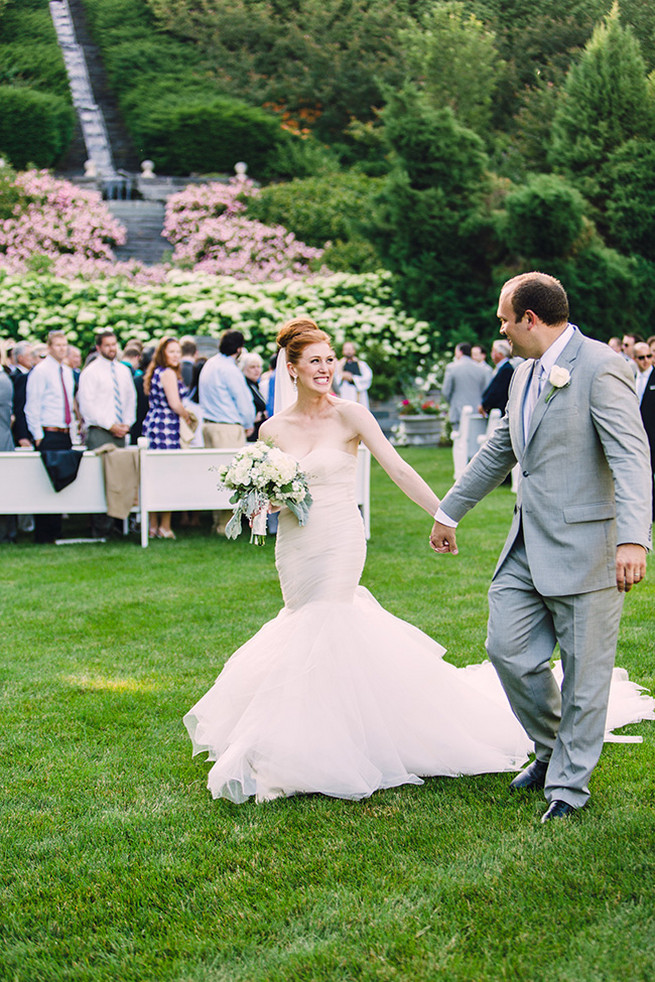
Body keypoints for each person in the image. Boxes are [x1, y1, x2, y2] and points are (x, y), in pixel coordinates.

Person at [183, 316, 654, 805]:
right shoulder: (272, 429)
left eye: (330, 360)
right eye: (315, 362)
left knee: (329, 621)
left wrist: (443, 512)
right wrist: (265, 501)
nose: (326, 369)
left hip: (341, 539)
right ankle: (309, 735)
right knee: (303, 626)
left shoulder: (351, 415)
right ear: (293, 369)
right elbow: (268, 499)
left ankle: (334, 747)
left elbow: (399, 468)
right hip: (296, 546)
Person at [431, 272, 652, 823]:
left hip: (589, 546)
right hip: (525, 545)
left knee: (584, 675)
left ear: (530, 318)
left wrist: (633, 539)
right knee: (507, 648)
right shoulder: (522, 371)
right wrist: (448, 510)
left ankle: (569, 788)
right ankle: (552, 748)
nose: (500, 328)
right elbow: (499, 449)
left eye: (504, 319)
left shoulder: (603, 367)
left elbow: (631, 459)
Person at [78, 330, 137, 537]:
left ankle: (118, 524)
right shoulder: (91, 372)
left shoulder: (123, 371)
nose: (112, 349)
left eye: (114, 344)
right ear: (99, 348)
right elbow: (87, 406)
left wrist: (126, 423)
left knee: (120, 479)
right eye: (107, 345)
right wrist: (110, 424)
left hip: (121, 432)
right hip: (100, 431)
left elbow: (131, 398)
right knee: (101, 479)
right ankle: (99, 527)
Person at [198, 330, 255, 534]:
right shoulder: (229, 369)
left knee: (215, 476)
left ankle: (216, 522)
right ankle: (225, 525)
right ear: (239, 349)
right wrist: (249, 423)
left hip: (208, 425)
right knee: (231, 477)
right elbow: (243, 399)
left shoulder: (209, 365)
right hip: (227, 427)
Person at [25, 330, 76, 543]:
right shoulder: (40, 371)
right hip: (48, 432)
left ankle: (57, 528)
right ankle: (44, 532)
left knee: (62, 479)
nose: (62, 349)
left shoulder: (66, 371)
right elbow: (32, 405)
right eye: (58, 345)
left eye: (65, 345)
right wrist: (38, 435)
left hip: (64, 432)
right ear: (49, 347)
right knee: (45, 482)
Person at [142, 336, 192, 539]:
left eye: (178, 352)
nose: (176, 355)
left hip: (154, 423)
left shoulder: (156, 372)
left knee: (153, 474)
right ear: (162, 353)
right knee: (168, 474)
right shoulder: (169, 373)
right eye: (171, 351)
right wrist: (187, 415)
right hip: (167, 426)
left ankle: (152, 526)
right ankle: (165, 525)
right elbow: (175, 403)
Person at [477, 339, 514, 417]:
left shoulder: (506, 369)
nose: (491, 354)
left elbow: (497, 391)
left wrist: (484, 404)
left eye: (493, 351)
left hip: (499, 412)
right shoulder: (501, 368)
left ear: (500, 353)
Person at [335, 341, 373, 408]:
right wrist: (342, 376)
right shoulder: (338, 364)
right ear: (343, 351)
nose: (348, 351)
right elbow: (334, 378)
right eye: (346, 349)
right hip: (344, 392)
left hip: (358, 393)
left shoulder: (361, 365)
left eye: (350, 349)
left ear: (354, 351)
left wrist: (353, 378)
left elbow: (368, 377)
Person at [240, 351, 267, 441]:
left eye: (258, 367)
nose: (257, 370)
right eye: (252, 367)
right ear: (244, 369)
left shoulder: (255, 385)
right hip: (250, 432)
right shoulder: (244, 385)